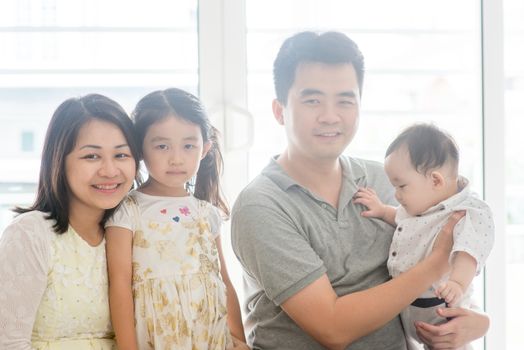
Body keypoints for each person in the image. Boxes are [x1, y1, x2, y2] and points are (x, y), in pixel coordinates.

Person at [231, 31, 490, 350]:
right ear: (279, 110)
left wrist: (476, 320)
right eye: (312, 100)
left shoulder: (386, 180)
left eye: (345, 100)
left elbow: (451, 252)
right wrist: (435, 264)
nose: (330, 116)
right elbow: (332, 328)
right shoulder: (261, 206)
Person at [105, 88, 247, 350]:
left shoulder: (207, 213)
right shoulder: (128, 210)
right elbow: (120, 287)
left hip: (211, 338)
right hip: (156, 339)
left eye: (188, 145)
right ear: (140, 149)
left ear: (204, 149)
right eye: (162, 146)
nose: (176, 158)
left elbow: (223, 281)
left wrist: (238, 339)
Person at [0, 94, 140, 349]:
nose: (109, 171)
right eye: (91, 157)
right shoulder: (30, 233)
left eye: (121, 155)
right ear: (59, 161)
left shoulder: (133, 231)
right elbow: (9, 343)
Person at [353, 123, 494, 349]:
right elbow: (399, 217)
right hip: (409, 307)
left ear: (436, 180)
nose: (396, 195)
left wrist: (458, 282)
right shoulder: (421, 206)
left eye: (401, 186)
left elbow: (469, 251)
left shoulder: (468, 212)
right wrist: (381, 210)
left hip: (440, 310)